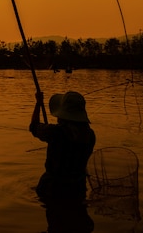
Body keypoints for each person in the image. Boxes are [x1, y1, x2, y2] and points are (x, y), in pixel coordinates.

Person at [30, 91, 96, 232]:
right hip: (78, 189)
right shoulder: (90, 135)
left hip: (53, 189)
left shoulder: (55, 132)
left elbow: (34, 126)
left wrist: (38, 103)